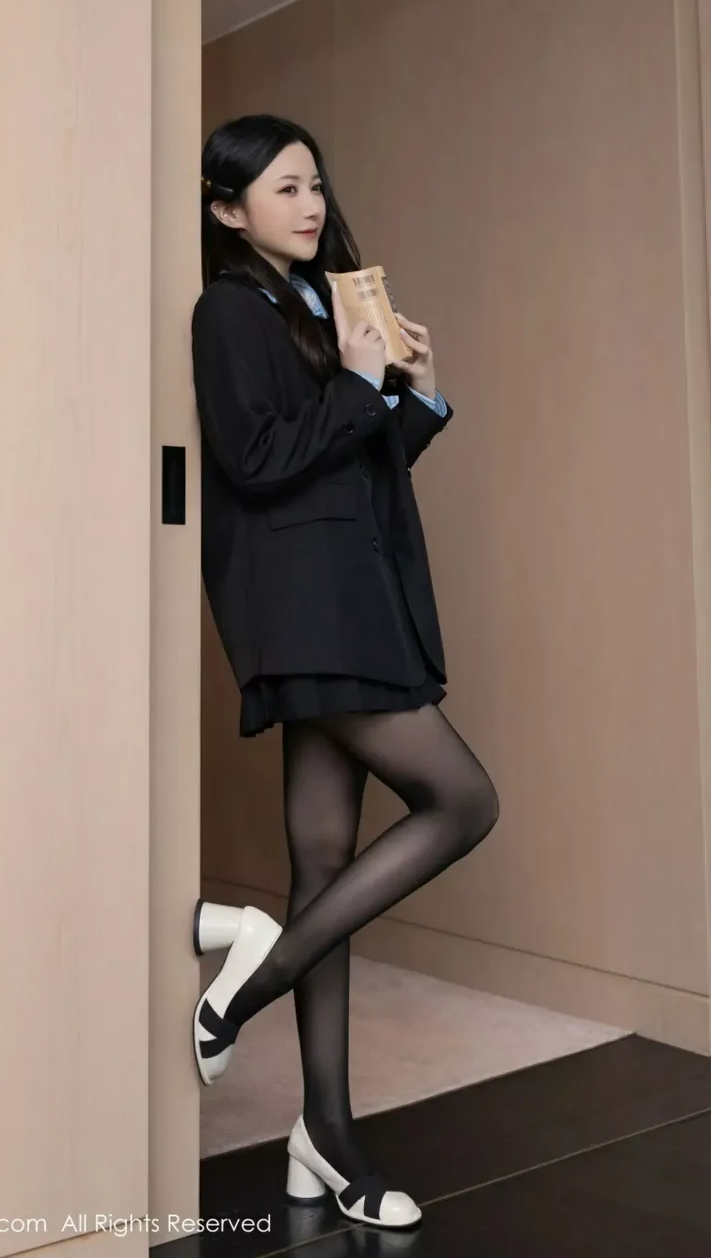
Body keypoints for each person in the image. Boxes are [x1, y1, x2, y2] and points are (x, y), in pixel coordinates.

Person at [189, 114, 499, 1231]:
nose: (311, 203)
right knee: (463, 802)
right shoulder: (228, 310)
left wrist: (415, 391)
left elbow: (365, 462)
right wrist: (360, 385)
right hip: (310, 609)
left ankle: (324, 1132)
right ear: (229, 211)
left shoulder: (321, 305)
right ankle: (249, 981)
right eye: (284, 188)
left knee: (322, 862)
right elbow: (257, 459)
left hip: (357, 597)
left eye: (314, 183)